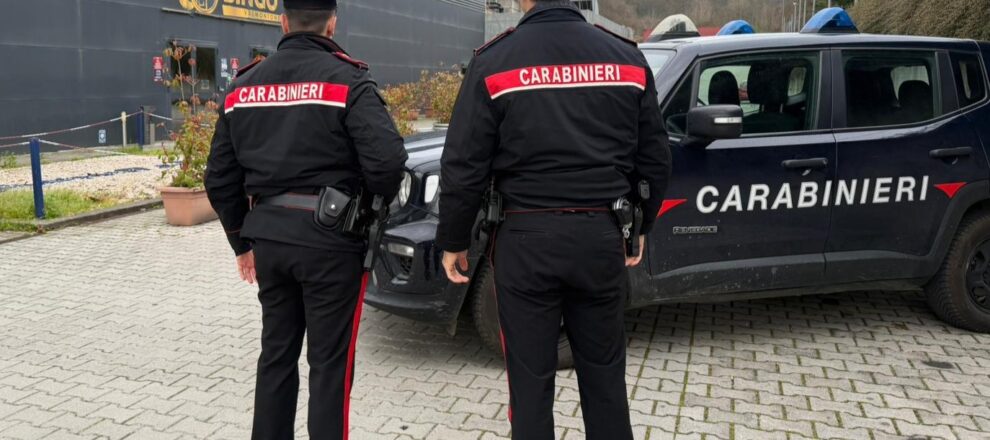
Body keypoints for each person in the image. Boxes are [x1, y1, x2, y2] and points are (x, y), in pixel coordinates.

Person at [436, 0, 672, 438]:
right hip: (600, 237)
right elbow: (656, 159)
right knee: (605, 382)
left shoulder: (494, 61)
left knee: (529, 388)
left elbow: (463, 165)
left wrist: (453, 239)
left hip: (525, 242)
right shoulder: (626, 58)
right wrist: (639, 228)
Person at [204, 0, 408, 438]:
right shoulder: (348, 79)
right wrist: (366, 210)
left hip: (270, 244)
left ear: (283, 22)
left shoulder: (242, 88)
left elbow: (219, 178)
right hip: (332, 244)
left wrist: (242, 242)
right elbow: (389, 162)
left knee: (276, 358)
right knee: (330, 365)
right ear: (332, 23)